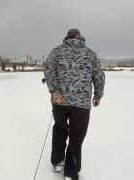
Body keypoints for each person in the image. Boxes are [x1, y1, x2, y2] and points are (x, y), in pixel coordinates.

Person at [43, 29, 105, 180]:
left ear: (67, 38)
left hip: (59, 102)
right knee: (76, 136)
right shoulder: (90, 53)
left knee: (60, 128)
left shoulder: (56, 51)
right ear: (80, 38)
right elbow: (99, 76)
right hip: (81, 104)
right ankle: (71, 172)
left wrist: (54, 91)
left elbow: (48, 69)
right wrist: (98, 94)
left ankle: (58, 161)